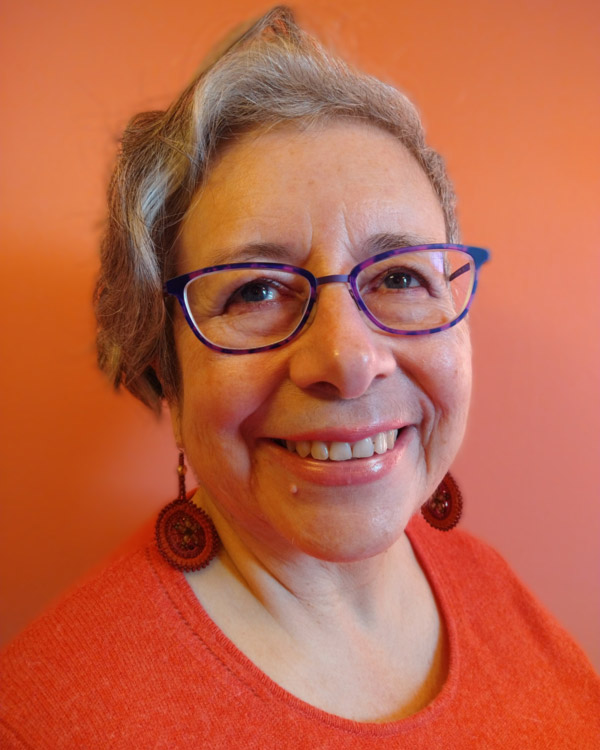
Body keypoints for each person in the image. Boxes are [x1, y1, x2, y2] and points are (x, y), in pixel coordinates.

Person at [1, 7, 598, 748]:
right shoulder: (52, 719)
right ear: (163, 367)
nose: (349, 362)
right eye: (253, 290)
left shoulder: (495, 588)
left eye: (400, 276)